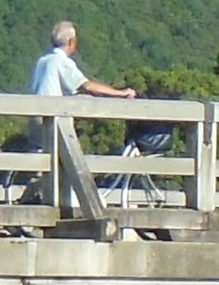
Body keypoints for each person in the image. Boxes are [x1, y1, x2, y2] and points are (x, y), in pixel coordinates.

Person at [16, 21, 134, 202]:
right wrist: (120, 93)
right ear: (71, 42)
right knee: (67, 162)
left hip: (35, 117)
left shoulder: (43, 60)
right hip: (50, 119)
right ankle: (29, 205)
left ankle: (30, 205)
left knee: (52, 164)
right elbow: (86, 85)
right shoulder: (61, 61)